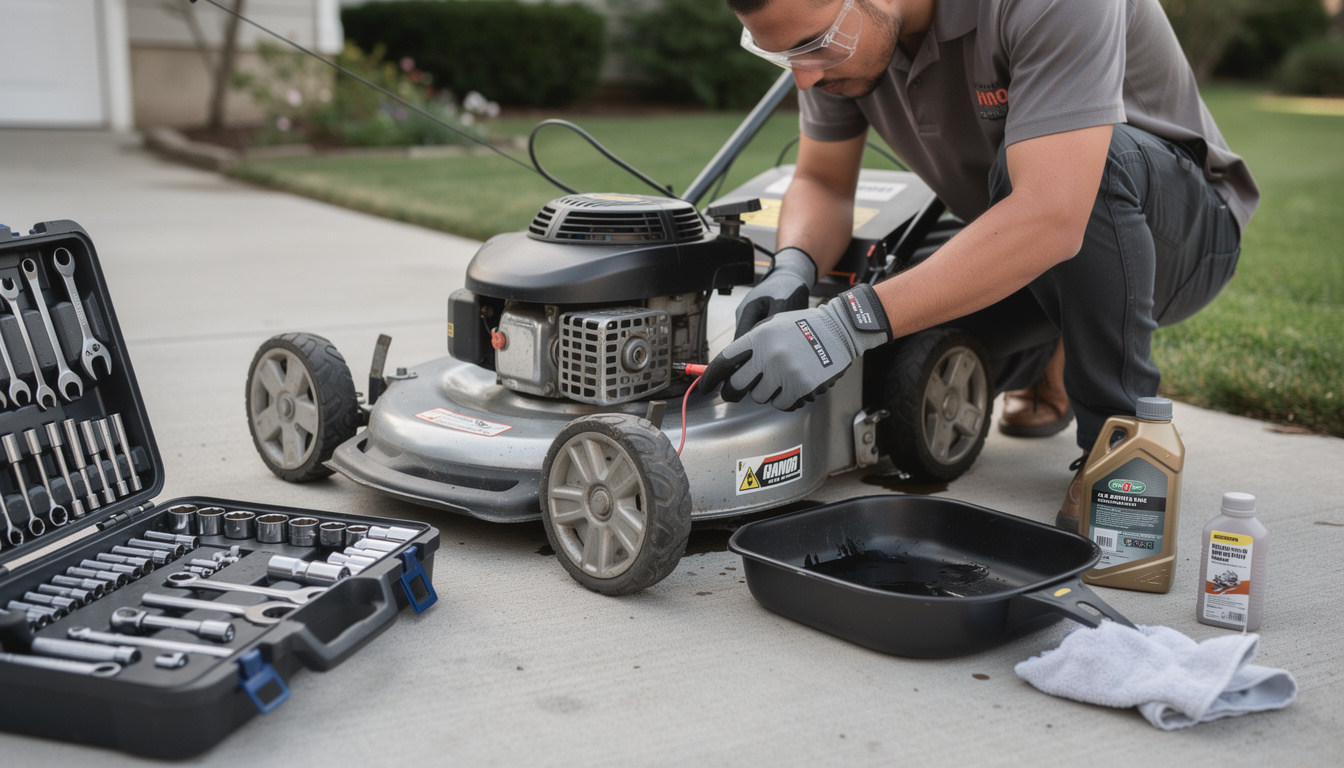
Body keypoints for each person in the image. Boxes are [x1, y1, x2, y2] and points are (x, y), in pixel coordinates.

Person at [699, 0, 1257, 530]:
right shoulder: (835, 46)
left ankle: (1123, 444)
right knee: (891, 331)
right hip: (1026, 239)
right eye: (782, 57)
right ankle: (1053, 352)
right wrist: (791, 269)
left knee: (1076, 173)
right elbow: (822, 179)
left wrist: (846, 322)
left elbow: (1053, 212)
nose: (803, 77)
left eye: (811, 47)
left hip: (1178, 238)